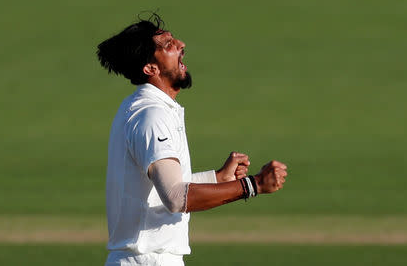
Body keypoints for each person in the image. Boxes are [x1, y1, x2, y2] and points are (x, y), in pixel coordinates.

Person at [97, 14, 288, 266]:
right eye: (168, 45)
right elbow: (176, 197)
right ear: (150, 69)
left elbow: (159, 191)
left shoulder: (147, 107)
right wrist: (255, 185)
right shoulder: (150, 115)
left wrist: (217, 179)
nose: (181, 44)